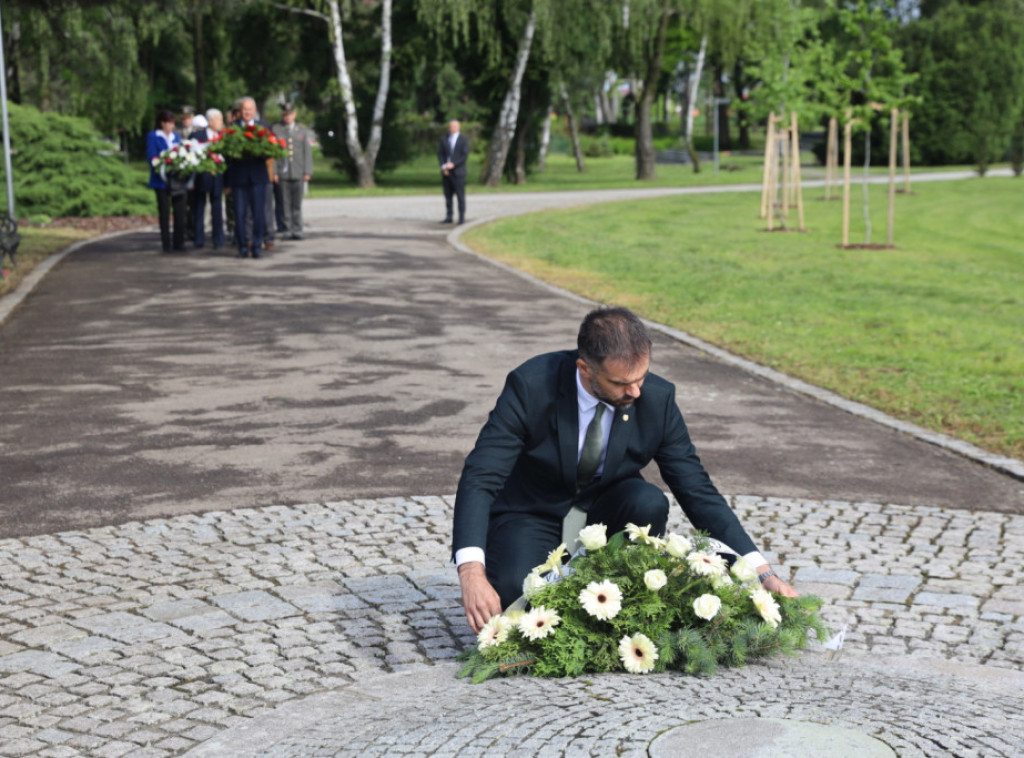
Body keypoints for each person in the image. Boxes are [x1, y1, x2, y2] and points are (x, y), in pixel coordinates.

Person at [453, 306, 798, 633]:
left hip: (609, 507)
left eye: (642, 377)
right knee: (518, 600)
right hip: (532, 508)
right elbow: (481, 475)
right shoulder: (531, 385)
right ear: (585, 369)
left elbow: (696, 489)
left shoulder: (658, 399)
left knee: (648, 500)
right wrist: (471, 572)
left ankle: (613, 588)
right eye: (621, 383)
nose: (635, 391)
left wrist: (762, 573)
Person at [225, 97, 270, 259]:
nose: (247, 112)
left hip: (258, 177)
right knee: (239, 214)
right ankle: (243, 247)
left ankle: (257, 246)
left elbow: (270, 151)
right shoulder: (231, 128)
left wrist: (260, 151)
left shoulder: (263, 128)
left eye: (250, 109)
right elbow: (226, 154)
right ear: (240, 111)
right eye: (245, 109)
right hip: (238, 178)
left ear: (255, 110)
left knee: (258, 214)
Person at [272, 102, 315, 240]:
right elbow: (273, 153)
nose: (288, 117)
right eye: (285, 114)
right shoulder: (277, 129)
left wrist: (307, 171)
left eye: (290, 114)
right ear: (282, 115)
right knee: (284, 203)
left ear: (294, 115)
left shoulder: (302, 130)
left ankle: (297, 229)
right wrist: (274, 172)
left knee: (297, 203)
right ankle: (287, 229)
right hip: (283, 172)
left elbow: (307, 152)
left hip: (298, 171)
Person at [146, 109, 186, 253]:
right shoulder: (153, 136)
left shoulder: (176, 137)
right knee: (164, 212)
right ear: (162, 123)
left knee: (180, 211)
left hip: (176, 179)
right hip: (161, 179)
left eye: (173, 123)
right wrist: (161, 164)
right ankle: (166, 243)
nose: (171, 126)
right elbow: (151, 156)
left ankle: (179, 242)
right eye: (169, 123)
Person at [190, 109, 225, 250]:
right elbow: (191, 156)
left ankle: (218, 240)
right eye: (219, 120)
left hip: (218, 178)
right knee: (199, 208)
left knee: (217, 209)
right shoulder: (197, 135)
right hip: (201, 178)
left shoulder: (224, 136)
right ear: (210, 122)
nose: (221, 123)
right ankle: (198, 239)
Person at [438, 119, 469, 225]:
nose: (451, 129)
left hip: (458, 172)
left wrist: (454, 164)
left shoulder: (463, 140)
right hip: (447, 172)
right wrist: (444, 167)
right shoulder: (444, 139)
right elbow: (441, 154)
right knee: (448, 196)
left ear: (458, 127)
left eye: (454, 127)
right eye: (450, 127)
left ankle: (461, 217)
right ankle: (449, 216)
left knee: (460, 196)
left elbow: (464, 156)